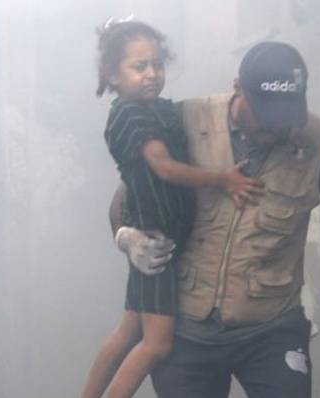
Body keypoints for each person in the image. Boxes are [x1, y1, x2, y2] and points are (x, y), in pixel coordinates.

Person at [109, 41, 320, 398]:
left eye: (286, 117)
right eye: (265, 114)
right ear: (238, 89)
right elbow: (127, 197)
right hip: (187, 329)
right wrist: (125, 237)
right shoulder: (184, 121)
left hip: (272, 329)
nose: (276, 128)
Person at [80, 20, 262, 398]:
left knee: (129, 330)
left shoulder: (156, 110)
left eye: (157, 65)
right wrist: (223, 179)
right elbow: (162, 166)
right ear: (113, 74)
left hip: (158, 238)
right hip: (156, 246)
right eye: (139, 67)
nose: (151, 74)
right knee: (156, 344)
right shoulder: (131, 115)